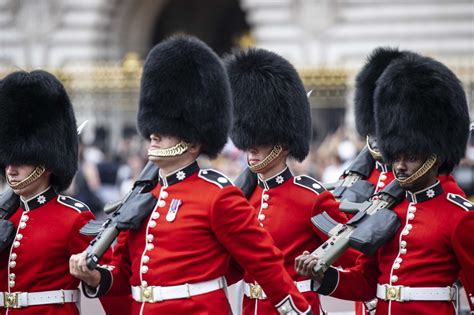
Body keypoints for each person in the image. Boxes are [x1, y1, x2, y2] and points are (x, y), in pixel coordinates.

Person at [69, 35, 313, 314]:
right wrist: (95, 277)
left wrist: (298, 310)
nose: (154, 134)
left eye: (167, 129)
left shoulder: (217, 195)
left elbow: (263, 262)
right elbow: (125, 274)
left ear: (194, 141)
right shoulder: (143, 197)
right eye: (154, 127)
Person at [295, 50, 474, 314]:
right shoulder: (387, 211)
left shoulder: (458, 216)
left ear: (435, 155)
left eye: (410, 156)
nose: (399, 165)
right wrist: (322, 275)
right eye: (395, 156)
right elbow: (366, 282)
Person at [224, 48, 358, 314]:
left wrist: (320, 265)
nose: (251, 148)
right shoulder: (243, 197)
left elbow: (353, 258)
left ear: (283, 144)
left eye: (260, 142)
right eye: (248, 140)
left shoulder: (311, 198)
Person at [0, 70, 93, 314]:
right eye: (7, 159)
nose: (11, 168)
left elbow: (110, 280)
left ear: (46, 163)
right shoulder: (5, 215)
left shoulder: (74, 218)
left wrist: (94, 276)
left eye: (21, 160)